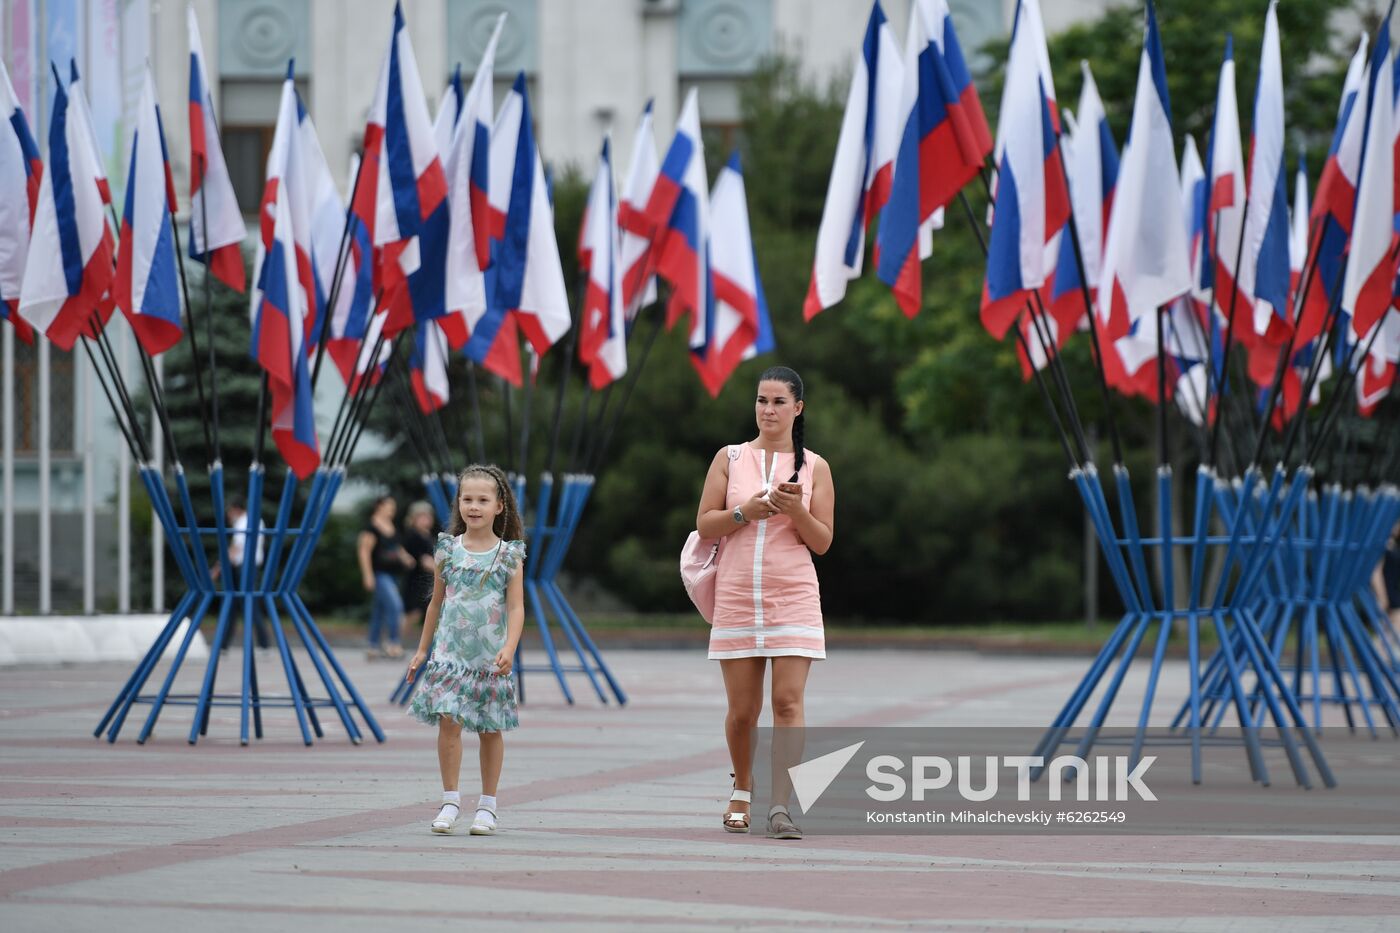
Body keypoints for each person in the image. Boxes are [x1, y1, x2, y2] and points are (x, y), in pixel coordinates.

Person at [695, 366, 835, 841]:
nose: (768, 410)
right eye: (761, 400)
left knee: (788, 702)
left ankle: (781, 806)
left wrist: (796, 510)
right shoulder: (729, 458)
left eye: (778, 402)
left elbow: (822, 543)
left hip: (793, 595)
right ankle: (742, 788)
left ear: (798, 408)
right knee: (742, 711)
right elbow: (705, 524)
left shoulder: (815, 466)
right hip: (737, 595)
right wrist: (744, 512)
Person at [407, 465, 526, 836]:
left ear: (499, 506)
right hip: (450, 656)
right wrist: (422, 649)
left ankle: (487, 807)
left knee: (490, 729)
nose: (474, 506)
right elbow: (435, 604)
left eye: (482, 500)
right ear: (458, 504)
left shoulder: (509, 555)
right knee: (448, 723)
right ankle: (450, 801)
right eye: (467, 499)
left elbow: (516, 608)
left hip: (489, 659)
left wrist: (509, 646)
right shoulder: (448, 549)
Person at [358, 496, 414, 659]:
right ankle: (393, 643)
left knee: (379, 610)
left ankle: (372, 645)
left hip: (393, 574)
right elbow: (364, 551)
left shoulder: (391, 526)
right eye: (390, 506)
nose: (393, 509)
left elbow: (396, 546)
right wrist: (367, 575)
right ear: (379, 506)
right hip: (380, 574)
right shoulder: (371, 527)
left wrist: (405, 557)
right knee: (395, 606)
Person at [221, 496, 272, 651]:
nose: (228, 516)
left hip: (245, 566)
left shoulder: (244, 522)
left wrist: (218, 567)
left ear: (235, 509)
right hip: (248, 566)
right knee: (238, 604)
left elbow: (237, 547)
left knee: (246, 603)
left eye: (229, 512)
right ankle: (224, 643)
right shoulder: (255, 520)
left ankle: (263, 642)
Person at [400, 501, 438, 647]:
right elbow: (424, 561)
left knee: (418, 613)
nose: (426, 520)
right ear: (414, 518)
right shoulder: (413, 535)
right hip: (416, 580)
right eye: (422, 517)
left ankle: (397, 642)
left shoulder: (427, 535)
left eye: (428, 517)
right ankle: (395, 641)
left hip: (425, 580)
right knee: (412, 613)